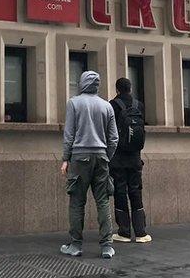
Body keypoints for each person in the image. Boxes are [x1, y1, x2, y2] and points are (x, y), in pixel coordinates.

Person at [60, 70, 119, 259]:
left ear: (82, 83)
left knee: (77, 202)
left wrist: (65, 158)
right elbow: (114, 138)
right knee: (102, 201)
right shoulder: (106, 106)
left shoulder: (74, 103)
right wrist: (106, 156)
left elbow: (69, 135)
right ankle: (107, 246)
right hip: (101, 157)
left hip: (79, 157)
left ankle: (76, 245)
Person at [109, 77, 152, 244]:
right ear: (130, 88)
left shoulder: (112, 105)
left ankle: (124, 232)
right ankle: (141, 232)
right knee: (135, 191)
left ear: (117, 90)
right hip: (135, 157)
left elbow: (110, 132)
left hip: (118, 158)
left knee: (120, 191)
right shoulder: (138, 105)